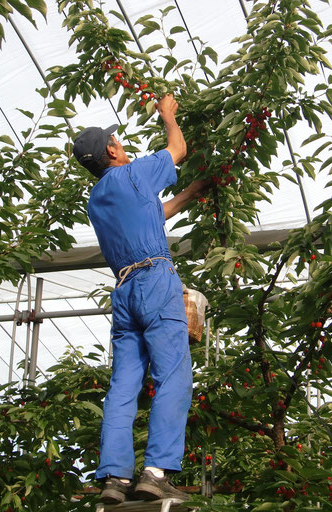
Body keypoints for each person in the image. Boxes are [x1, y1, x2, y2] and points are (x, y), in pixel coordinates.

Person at [72, 94, 208, 504]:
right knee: (173, 376)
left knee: (123, 386)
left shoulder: (97, 200)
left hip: (124, 291)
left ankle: (113, 478)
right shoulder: (134, 173)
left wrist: (191, 194)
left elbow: (152, 214)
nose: (122, 144)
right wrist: (168, 115)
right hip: (154, 280)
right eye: (117, 140)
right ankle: (155, 471)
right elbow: (178, 149)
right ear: (112, 150)